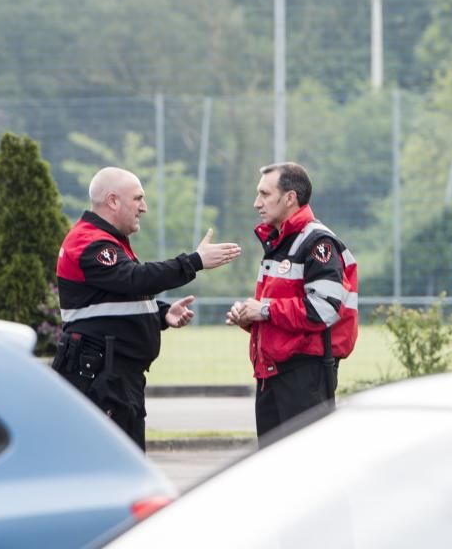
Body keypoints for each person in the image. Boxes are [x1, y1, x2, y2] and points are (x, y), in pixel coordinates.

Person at [52, 166, 241, 450]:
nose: (145, 207)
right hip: (101, 378)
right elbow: (134, 279)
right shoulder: (90, 242)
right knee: (114, 470)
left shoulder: (106, 240)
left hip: (111, 375)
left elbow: (116, 295)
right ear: (113, 201)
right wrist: (194, 261)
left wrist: (161, 313)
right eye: (138, 198)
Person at [226, 162, 358, 445]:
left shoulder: (317, 243)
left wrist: (263, 309)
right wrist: (250, 317)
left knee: (306, 472)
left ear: (290, 198)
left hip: (304, 375)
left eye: (264, 194)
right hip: (273, 373)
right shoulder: (279, 242)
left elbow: (323, 309)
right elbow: (279, 314)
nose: (256, 203)